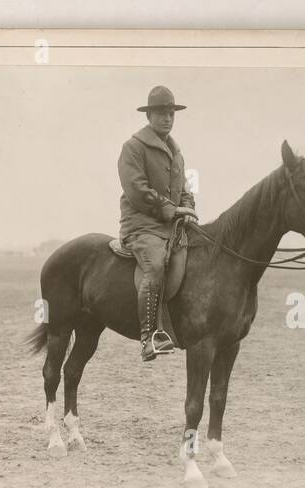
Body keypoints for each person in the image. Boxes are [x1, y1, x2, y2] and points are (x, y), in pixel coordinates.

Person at [117, 86, 198, 362]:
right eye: (162, 113)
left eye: (171, 113)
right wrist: (172, 209)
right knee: (154, 265)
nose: (168, 118)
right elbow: (137, 190)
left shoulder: (176, 150)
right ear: (149, 115)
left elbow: (184, 188)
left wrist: (188, 209)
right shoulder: (133, 147)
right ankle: (148, 337)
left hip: (171, 224)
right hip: (142, 225)